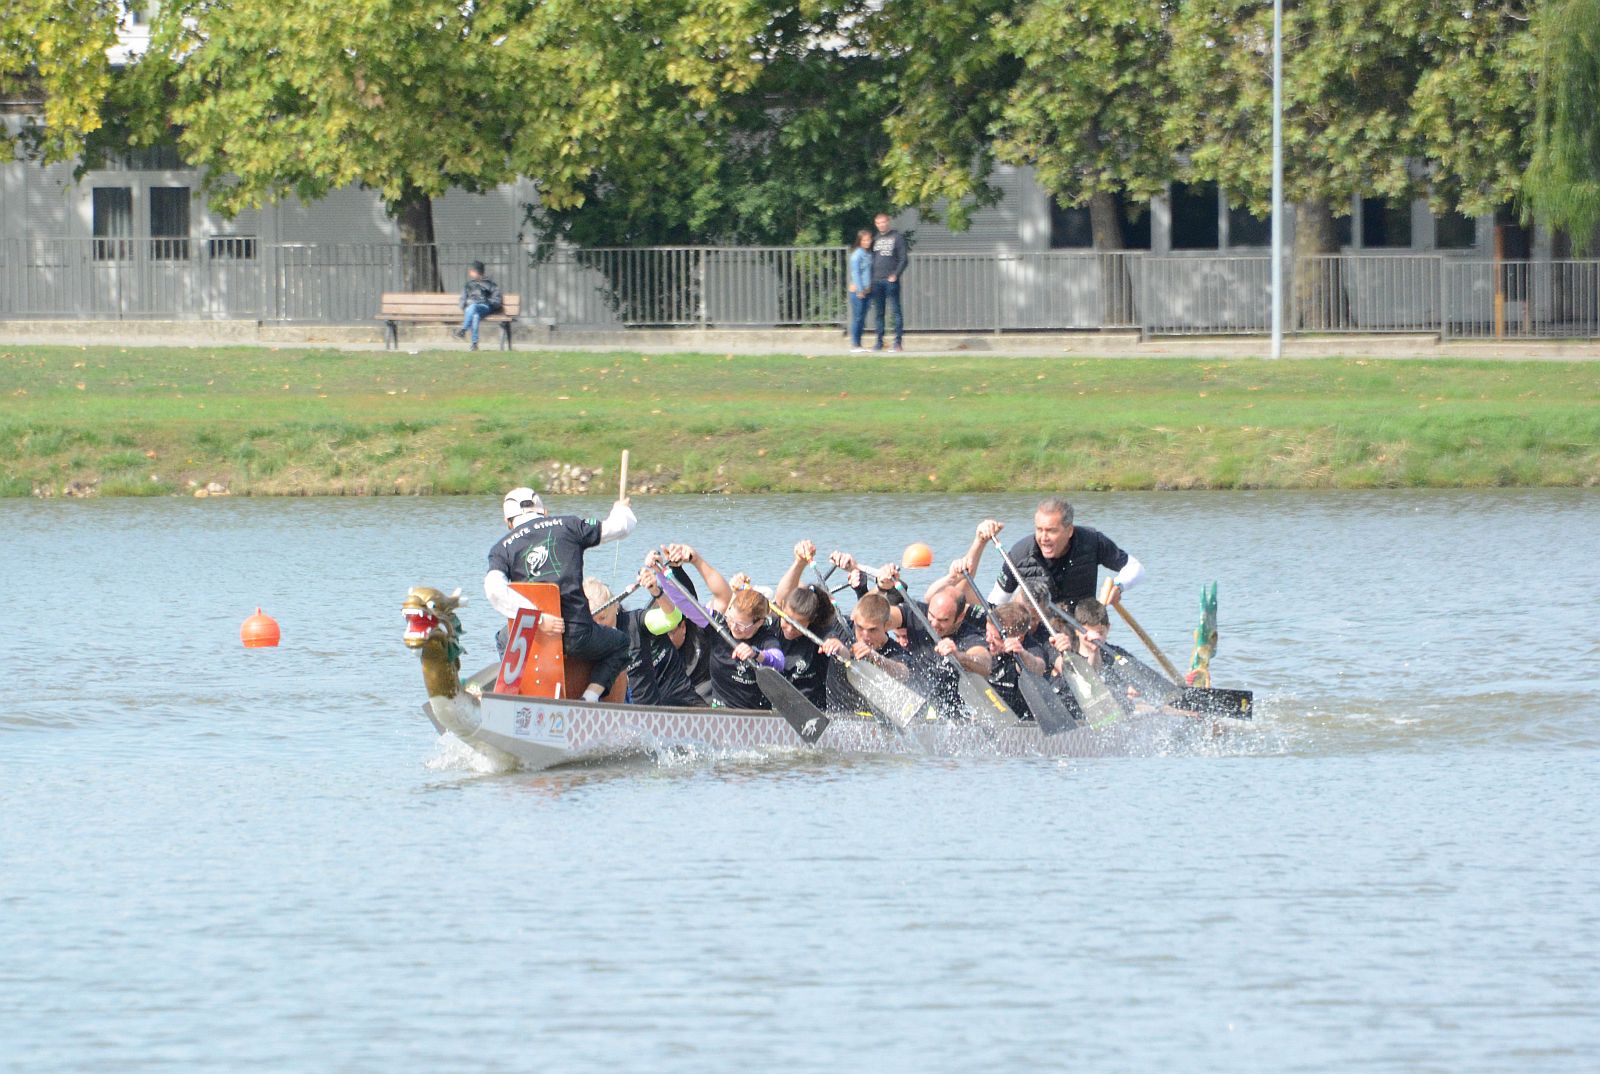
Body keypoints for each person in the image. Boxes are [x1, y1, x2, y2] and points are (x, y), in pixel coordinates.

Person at [484, 485, 635, 702]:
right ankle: (590, 698)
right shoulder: (569, 525)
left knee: (502, 638)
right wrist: (621, 510)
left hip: (529, 637)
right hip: (576, 635)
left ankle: (513, 694)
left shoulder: (501, 548)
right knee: (621, 643)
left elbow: (493, 589)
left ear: (508, 522)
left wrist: (536, 618)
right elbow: (621, 527)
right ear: (544, 512)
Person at [963, 498, 1144, 614]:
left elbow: (1135, 568)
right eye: (1039, 530)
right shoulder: (1020, 554)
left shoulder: (1092, 541)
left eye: (1051, 531)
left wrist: (1119, 587)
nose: (1043, 538)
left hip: (1082, 632)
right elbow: (995, 604)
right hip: (1038, 637)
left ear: (1069, 530)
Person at [662, 544, 785, 710]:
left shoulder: (765, 638)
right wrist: (661, 572)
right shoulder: (719, 625)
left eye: (742, 625)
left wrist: (757, 654)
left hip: (754, 715)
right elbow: (685, 603)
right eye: (731, 619)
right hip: (720, 712)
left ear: (759, 622)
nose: (734, 627)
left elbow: (778, 661)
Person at [607, 562, 705, 708]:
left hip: (684, 701)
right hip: (651, 707)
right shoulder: (622, 636)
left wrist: (657, 586)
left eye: (670, 632)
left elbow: (684, 604)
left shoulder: (642, 623)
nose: (668, 636)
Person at [772, 540, 848, 709]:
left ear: (811, 621)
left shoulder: (821, 632)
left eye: (798, 625)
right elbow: (781, 595)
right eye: (788, 620)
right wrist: (799, 562)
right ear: (782, 609)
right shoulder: (775, 621)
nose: (790, 629)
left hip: (812, 709)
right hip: (776, 706)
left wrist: (838, 648)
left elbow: (846, 655)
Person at [868, 212, 908, 352]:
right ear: (876, 224)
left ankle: (897, 342)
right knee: (879, 313)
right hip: (876, 281)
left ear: (888, 222)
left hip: (890, 281)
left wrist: (895, 274)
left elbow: (903, 259)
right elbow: (871, 259)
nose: (881, 225)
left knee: (895, 311)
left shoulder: (897, 237)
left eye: (883, 222)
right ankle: (879, 342)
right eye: (878, 223)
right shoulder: (875, 238)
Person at [452, 260, 502, 351]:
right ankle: (474, 344)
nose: (470, 273)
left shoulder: (490, 285)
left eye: (472, 271)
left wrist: (486, 301)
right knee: (475, 315)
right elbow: (462, 300)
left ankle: (463, 330)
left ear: (478, 272)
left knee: (474, 307)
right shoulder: (468, 285)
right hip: (471, 309)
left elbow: (497, 300)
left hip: (485, 307)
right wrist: (465, 306)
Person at [847, 229, 874, 354]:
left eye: (869, 240)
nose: (867, 242)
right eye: (865, 240)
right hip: (858, 291)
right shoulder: (857, 255)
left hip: (868, 290)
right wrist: (859, 289)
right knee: (857, 318)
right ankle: (855, 344)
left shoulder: (868, 254)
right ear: (860, 241)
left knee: (862, 318)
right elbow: (856, 273)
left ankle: (859, 343)